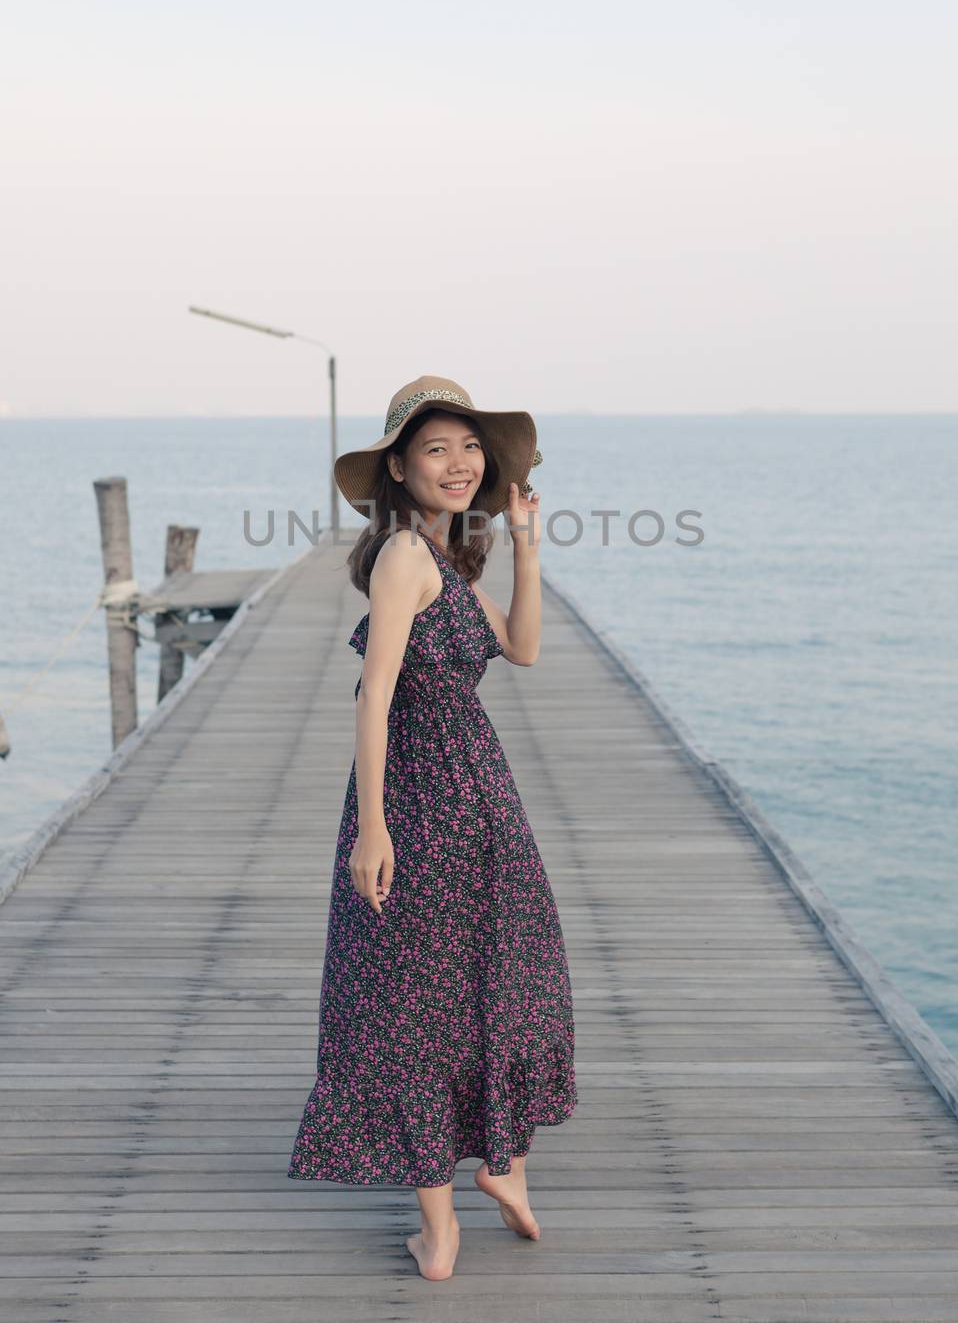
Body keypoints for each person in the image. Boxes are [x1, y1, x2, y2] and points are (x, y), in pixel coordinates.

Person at [286, 374, 577, 1282]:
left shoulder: (442, 565)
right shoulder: (403, 558)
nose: (458, 463)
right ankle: (459, 1209)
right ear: (401, 470)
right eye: (436, 448)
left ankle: (488, 1180)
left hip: (472, 796)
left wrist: (526, 547)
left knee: (455, 987)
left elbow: (522, 648)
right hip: (420, 797)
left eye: (469, 448)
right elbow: (372, 697)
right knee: (439, 994)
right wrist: (372, 828)